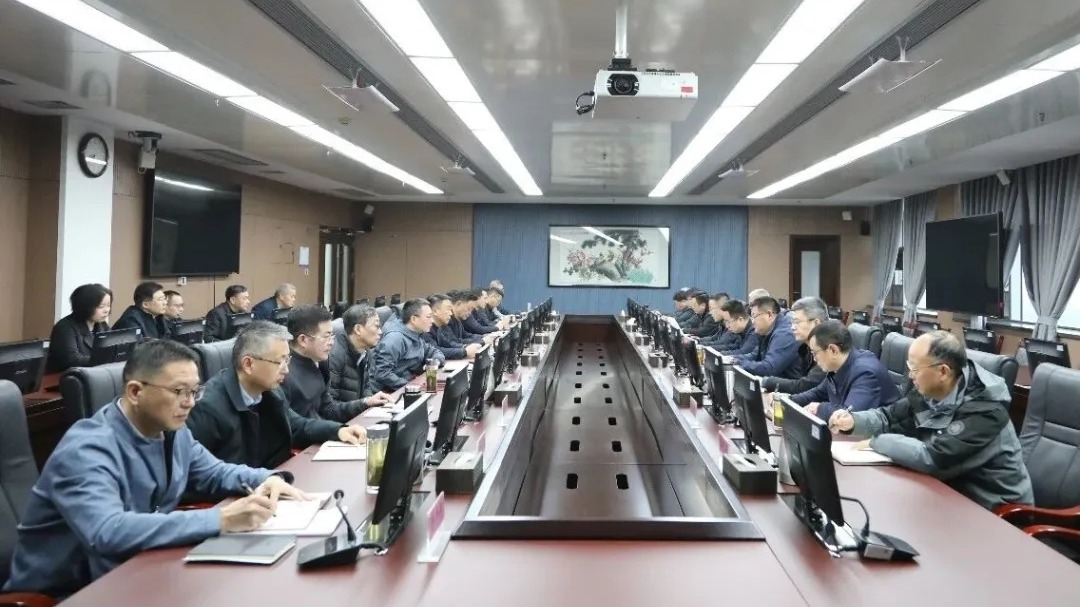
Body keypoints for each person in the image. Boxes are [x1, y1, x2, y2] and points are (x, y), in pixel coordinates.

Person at [3, 340, 304, 597]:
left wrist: (268, 478)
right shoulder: (86, 449)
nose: (190, 403)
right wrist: (221, 519)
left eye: (195, 391)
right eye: (180, 391)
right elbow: (108, 531)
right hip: (72, 592)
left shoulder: (172, 431)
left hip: (141, 570)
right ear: (135, 392)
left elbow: (214, 472)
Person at [828, 330, 1034, 510]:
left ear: (943, 371)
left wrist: (877, 441)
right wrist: (853, 421)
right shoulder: (931, 393)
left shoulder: (984, 410)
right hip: (947, 496)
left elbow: (934, 458)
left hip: (996, 512)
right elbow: (889, 417)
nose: (910, 375)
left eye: (915, 368)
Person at [185, 321, 366, 471]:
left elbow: (296, 426)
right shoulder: (207, 408)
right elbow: (197, 474)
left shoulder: (270, 391)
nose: (286, 370)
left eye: (287, 360)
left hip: (271, 482)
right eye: (280, 361)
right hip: (238, 496)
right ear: (248, 364)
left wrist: (338, 430)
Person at [786, 320, 899, 421]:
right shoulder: (838, 366)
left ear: (833, 350)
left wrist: (819, 408)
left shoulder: (866, 373)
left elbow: (848, 416)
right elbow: (818, 393)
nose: (814, 359)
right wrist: (788, 400)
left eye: (815, 353)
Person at [281, 305, 373, 422]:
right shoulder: (283, 373)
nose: (331, 342)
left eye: (332, 335)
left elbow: (328, 409)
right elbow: (295, 426)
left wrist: (366, 402)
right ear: (303, 340)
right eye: (326, 336)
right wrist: (337, 429)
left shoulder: (320, 363)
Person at [369, 298, 446, 393]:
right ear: (414, 319)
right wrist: (412, 386)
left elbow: (434, 351)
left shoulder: (415, 334)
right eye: (428, 317)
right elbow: (383, 373)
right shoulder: (394, 339)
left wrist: (435, 362)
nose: (432, 321)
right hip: (387, 392)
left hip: (405, 387)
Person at [328, 304, 394, 409]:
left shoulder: (364, 351)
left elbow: (366, 388)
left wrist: (372, 401)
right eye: (376, 326)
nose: (380, 332)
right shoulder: (334, 356)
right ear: (358, 329)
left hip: (357, 413)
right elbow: (330, 408)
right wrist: (365, 403)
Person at [761, 297, 827, 394]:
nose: (792, 327)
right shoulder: (805, 348)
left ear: (816, 323)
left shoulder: (827, 349)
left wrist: (766, 381)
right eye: (792, 322)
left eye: (797, 322)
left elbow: (804, 386)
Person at [732, 296, 803, 379]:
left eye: (754, 316)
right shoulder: (766, 331)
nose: (752, 321)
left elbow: (769, 368)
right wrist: (734, 359)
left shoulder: (784, 333)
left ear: (769, 315)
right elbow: (755, 355)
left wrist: (740, 363)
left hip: (787, 384)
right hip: (775, 382)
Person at [46, 283, 112, 373]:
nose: (106, 310)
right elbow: (72, 359)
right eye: (101, 306)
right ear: (85, 306)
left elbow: (112, 348)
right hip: (65, 376)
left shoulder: (102, 325)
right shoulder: (65, 327)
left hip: (94, 373)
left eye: (108, 305)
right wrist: (104, 359)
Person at [424, 293, 481, 360]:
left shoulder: (438, 327)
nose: (451, 313)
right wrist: (464, 351)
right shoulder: (425, 329)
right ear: (435, 311)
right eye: (448, 309)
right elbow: (436, 351)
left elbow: (449, 344)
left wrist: (466, 347)